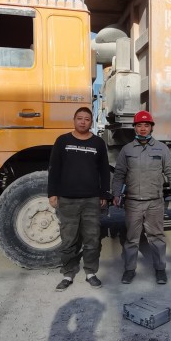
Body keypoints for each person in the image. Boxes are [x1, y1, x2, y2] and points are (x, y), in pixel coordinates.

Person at [111, 111, 171, 285]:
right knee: (131, 238)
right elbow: (119, 174)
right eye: (139, 125)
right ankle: (129, 270)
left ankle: (160, 269)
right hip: (133, 202)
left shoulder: (161, 148)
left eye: (146, 125)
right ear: (134, 127)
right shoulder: (127, 150)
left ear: (151, 127)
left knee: (157, 237)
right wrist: (116, 194)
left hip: (154, 202)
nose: (143, 128)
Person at [48, 107, 111, 292]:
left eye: (87, 119)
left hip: (91, 200)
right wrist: (52, 193)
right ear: (74, 120)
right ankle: (68, 273)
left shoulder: (98, 143)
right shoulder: (62, 141)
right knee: (69, 239)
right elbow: (54, 168)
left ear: (91, 122)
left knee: (92, 239)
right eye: (80, 118)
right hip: (67, 200)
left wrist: (104, 194)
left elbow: (104, 171)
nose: (83, 122)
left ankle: (91, 272)